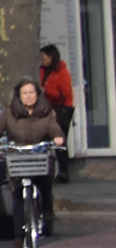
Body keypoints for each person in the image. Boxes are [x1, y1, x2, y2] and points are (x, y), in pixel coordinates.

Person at [4, 78, 65, 242]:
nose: (29, 96)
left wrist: (58, 137)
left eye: (32, 92)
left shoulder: (47, 111)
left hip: (40, 155)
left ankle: (47, 215)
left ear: (37, 94)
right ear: (19, 96)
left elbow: (54, 128)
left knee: (45, 184)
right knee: (16, 193)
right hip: (18, 156)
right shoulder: (9, 113)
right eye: (25, 93)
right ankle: (18, 235)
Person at [37, 45, 75, 179]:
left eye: (44, 57)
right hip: (47, 108)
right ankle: (47, 169)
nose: (42, 59)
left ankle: (63, 171)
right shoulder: (43, 70)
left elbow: (65, 93)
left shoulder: (61, 72)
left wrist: (46, 91)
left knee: (59, 139)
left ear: (51, 57)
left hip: (61, 109)